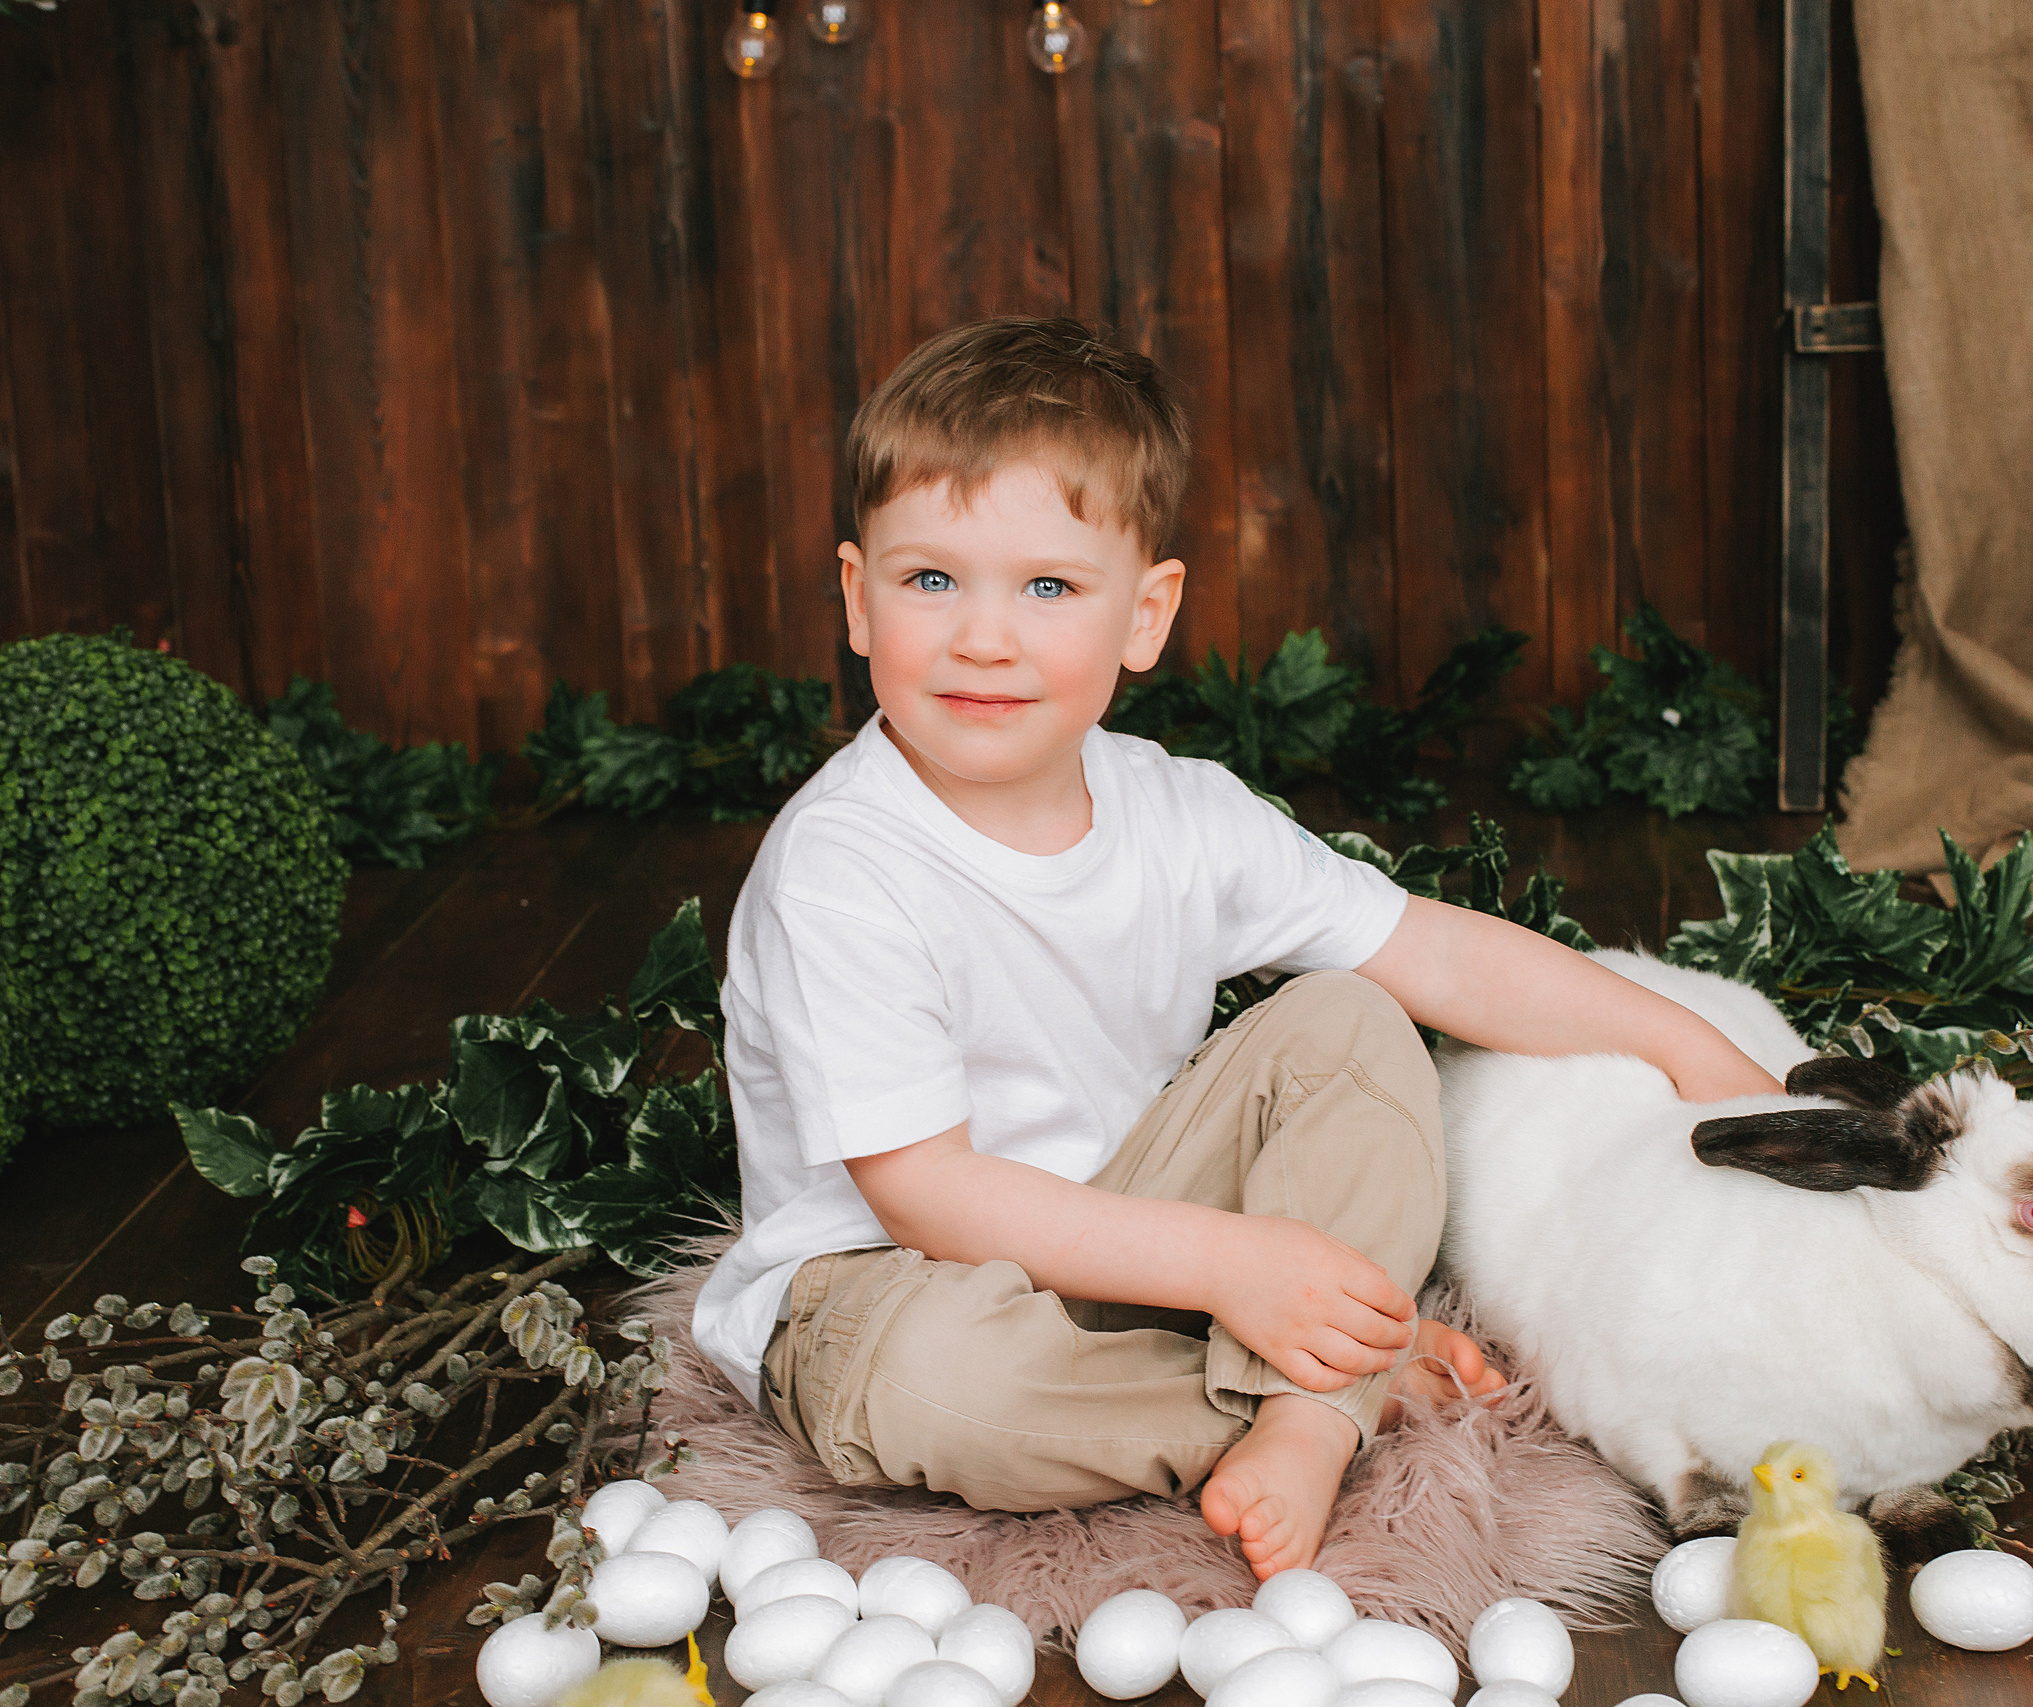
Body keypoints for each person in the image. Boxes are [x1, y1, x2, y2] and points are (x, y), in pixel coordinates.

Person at [691, 316, 1783, 1578]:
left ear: (1143, 616)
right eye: (930, 580)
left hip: (1132, 1218)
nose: (982, 637)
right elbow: (926, 1191)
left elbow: (1431, 952)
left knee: (1353, 1021)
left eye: (1047, 588)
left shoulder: (1179, 811)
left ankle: (1304, 1411)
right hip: (886, 1288)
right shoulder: (844, 865)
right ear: (857, 599)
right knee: (937, 1393)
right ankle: (1339, 1378)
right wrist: (1232, 1262)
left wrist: (1680, 1043)